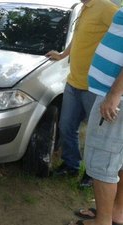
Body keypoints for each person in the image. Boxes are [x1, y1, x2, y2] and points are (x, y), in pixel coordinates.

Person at [45, 0, 118, 187]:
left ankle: (92, 174)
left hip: (95, 87)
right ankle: (71, 165)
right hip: (73, 81)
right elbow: (78, 37)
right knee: (67, 127)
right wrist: (62, 55)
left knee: (96, 135)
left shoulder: (106, 8)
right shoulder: (85, 8)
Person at [70, 6, 123, 225]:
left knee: (102, 164)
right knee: (118, 160)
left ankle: (102, 221)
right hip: (114, 95)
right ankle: (117, 214)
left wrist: (114, 94)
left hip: (112, 98)